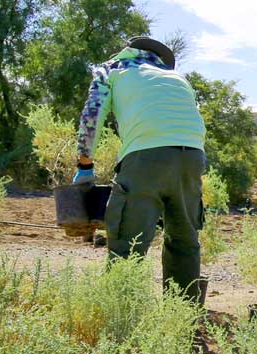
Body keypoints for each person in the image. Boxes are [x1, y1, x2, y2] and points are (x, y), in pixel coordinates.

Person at [74, 37, 208, 304]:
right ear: (158, 58)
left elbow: (92, 116)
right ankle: (182, 321)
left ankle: (119, 320)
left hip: (145, 159)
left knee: (128, 243)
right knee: (184, 242)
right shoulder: (178, 78)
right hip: (192, 157)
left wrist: (84, 164)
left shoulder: (112, 68)